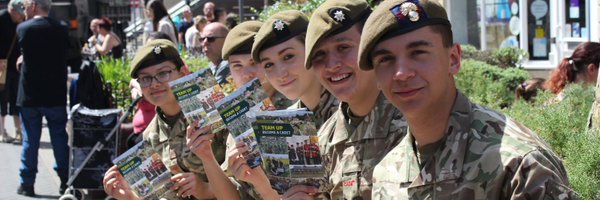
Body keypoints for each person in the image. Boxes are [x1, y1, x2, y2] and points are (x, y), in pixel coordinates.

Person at [357, 0, 577, 198]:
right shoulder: (387, 173)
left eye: (418, 53)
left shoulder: (519, 166)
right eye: (386, 59)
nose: (401, 73)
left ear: (453, 59)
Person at [282, 1, 406, 198]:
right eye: (319, 55)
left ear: (372, 47)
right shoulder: (323, 140)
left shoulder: (413, 125)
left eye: (343, 47)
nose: (332, 65)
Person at [103, 39, 224, 199]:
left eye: (163, 74)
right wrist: (130, 197)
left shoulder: (214, 111)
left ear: (182, 73)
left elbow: (249, 175)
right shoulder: (150, 135)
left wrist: (207, 189)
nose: (154, 84)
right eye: (145, 78)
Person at [16, 0, 70, 196]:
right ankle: (65, 180)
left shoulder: (24, 28)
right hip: (55, 93)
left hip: (30, 94)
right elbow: (72, 55)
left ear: (33, 5)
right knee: (59, 137)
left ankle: (27, 183)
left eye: (26, 5)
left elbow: (24, 52)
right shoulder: (61, 29)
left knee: (30, 139)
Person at [0, 0, 25, 144]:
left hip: (15, 67)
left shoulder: (21, 22)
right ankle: (2, 132)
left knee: (16, 99)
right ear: (12, 10)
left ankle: (18, 130)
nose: (21, 16)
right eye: (19, 13)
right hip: (2, 66)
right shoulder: (2, 19)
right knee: (2, 99)